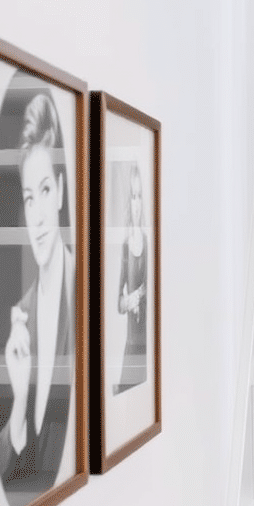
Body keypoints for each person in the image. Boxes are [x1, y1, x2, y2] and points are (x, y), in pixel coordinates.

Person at [0, 91, 74, 502]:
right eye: (29, 198)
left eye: (44, 191)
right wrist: (21, 395)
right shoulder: (21, 315)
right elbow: (5, 471)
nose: (38, 215)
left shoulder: (83, 291)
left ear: (60, 191)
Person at [115, 163, 147, 392]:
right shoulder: (125, 246)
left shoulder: (148, 242)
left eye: (140, 196)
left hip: (148, 343)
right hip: (131, 343)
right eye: (133, 196)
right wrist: (134, 297)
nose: (136, 204)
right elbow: (119, 303)